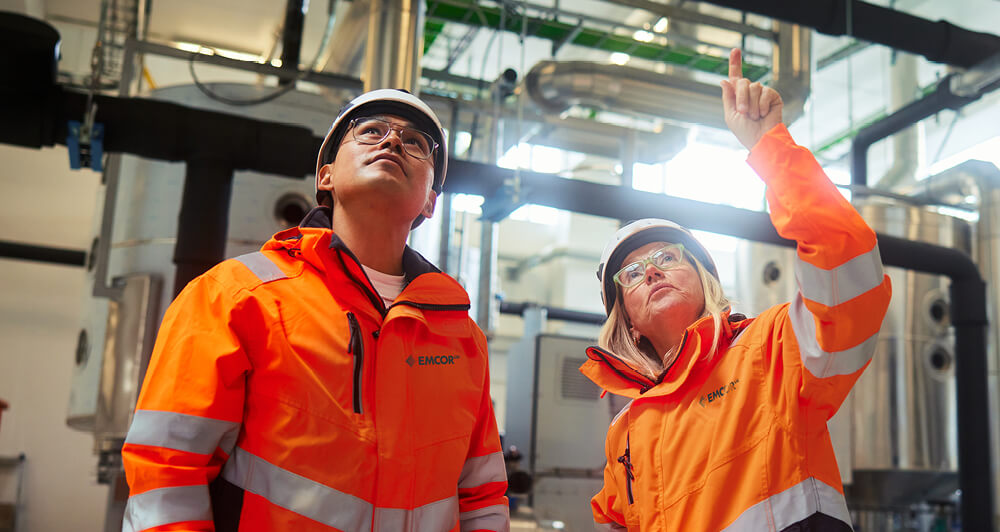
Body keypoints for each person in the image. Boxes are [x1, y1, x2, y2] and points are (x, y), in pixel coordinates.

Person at [120, 89, 510, 532]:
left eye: (416, 142)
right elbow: (167, 471)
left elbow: (481, 496)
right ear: (325, 175)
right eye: (371, 131)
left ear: (429, 203)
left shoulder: (460, 337)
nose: (393, 142)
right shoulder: (235, 296)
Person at [583, 49, 892, 531]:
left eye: (667, 257)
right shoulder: (625, 432)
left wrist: (771, 147)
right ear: (628, 321)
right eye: (632, 272)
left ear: (704, 280)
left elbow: (846, 261)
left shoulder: (771, 350)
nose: (651, 272)